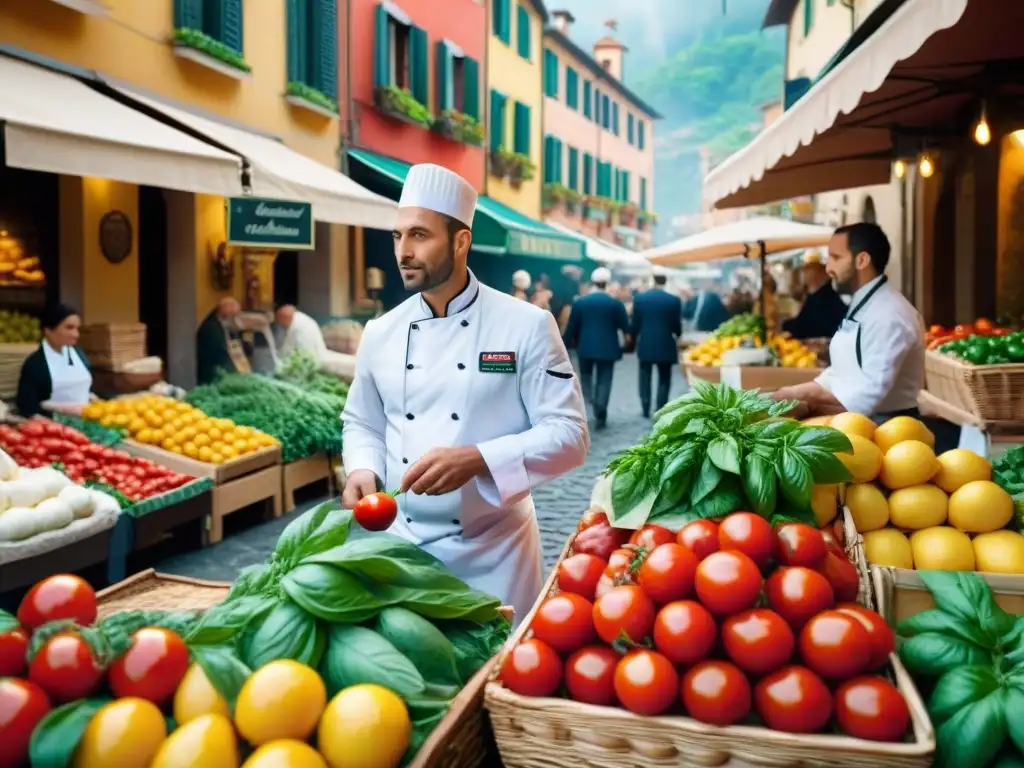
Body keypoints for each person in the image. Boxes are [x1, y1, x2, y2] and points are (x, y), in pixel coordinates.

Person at [340, 163, 589, 621]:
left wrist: (478, 459)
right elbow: (362, 420)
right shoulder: (380, 332)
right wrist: (362, 466)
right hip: (401, 551)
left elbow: (570, 436)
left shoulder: (527, 325)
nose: (403, 252)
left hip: (494, 555)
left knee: (491, 681)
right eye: (398, 237)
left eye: (419, 235)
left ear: (460, 241)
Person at [772, 223, 959, 449]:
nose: (828, 268)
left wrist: (804, 400)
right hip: (857, 424)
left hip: (890, 436)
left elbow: (867, 396)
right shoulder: (864, 305)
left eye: (835, 258)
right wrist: (794, 393)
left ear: (861, 261)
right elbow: (842, 372)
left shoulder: (889, 315)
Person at [562, 266, 631, 429]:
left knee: (586, 377)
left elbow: (572, 327)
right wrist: (628, 343)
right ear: (606, 283)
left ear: (592, 283)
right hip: (608, 348)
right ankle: (601, 409)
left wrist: (564, 345)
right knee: (604, 380)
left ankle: (592, 402)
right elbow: (626, 328)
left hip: (585, 348)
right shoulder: (615, 304)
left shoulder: (580, 302)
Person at [16, 303, 93, 418]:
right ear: (48, 330)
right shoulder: (35, 364)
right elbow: (27, 406)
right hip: (54, 425)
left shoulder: (79, 354)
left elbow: (85, 388)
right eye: (69, 328)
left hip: (87, 419)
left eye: (77, 328)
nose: (76, 334)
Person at [631, 267, 682, 417]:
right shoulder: (673, 300)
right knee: (664, 377)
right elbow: (676, 325)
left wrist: (632, 339)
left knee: (644, 376)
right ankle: (660, 408)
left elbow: (635, 324)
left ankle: (645, 407)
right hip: (666, 343)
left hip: (646, 342)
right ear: (665, 281)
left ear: (652, 280)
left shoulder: (640, 299)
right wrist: (678, 335)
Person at [276, 303, 357, 380]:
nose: (279, 323)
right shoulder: (293, 323)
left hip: (312, 357)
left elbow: (305, 359)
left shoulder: (302, 327)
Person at [781, 254, 848, 340]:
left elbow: (809, 324)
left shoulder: (826, 296)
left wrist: (785, 325)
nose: (804, 276)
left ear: (817, 274)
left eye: (807, 271)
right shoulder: (815, 294)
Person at [195, 297, 250, 385]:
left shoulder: (224, 325)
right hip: (210, 373)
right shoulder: (211, 327)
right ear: (224, 311)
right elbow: (222, 351)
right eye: (233, 315)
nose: (234, 318)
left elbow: (233, 345)